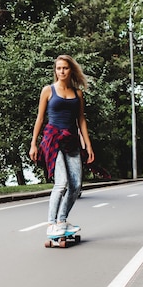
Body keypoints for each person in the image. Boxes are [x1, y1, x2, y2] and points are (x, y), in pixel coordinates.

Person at [29, 54, 94, 236]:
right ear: (55, 71)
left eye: (65, 68)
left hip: (71, 141)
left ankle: (62, 220)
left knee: (76, 185)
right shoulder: (48, 91)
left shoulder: (77, 93)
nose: (62, 71)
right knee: (62, 182)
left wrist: (88, 146)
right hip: (52, 140)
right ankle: (51, 224)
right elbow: (40, 118)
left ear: (70, 70)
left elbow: (81, 120)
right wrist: (34, 144)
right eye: (58, 68)